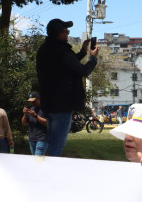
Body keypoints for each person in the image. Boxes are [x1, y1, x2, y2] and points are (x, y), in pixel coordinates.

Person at [35, 18, 99, 157]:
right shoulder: (62, 50)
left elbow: (67, 64)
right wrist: (93, 58)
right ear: (59, 33)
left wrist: (82, 51)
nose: (68, 33)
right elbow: (83, 70)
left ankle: (42, 169)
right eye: (66, 31)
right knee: (57, 144)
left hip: (47, 104)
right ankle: (51, 173)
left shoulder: (44, 49)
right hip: (62, 106)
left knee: (49, 141)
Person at [21, 92, 48, 157]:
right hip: (32, 139)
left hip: (42, 139)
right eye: (31, 101)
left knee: (37, 159)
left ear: (39, 99)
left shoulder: (45, 109)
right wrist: (25, 114)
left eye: (34, 101)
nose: (32, 103)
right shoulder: (31, 109)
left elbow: (47, 123)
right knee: (34, 159)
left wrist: (35, 116)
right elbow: (24, 123)